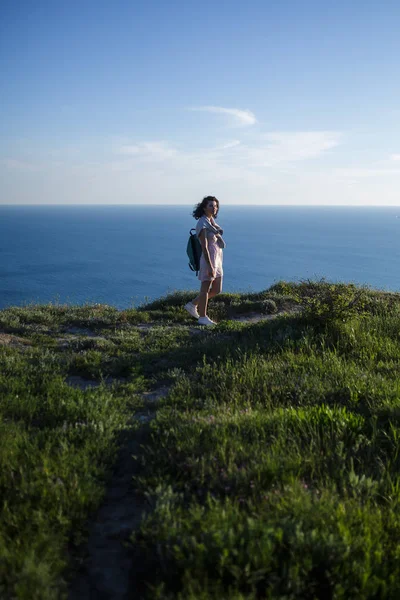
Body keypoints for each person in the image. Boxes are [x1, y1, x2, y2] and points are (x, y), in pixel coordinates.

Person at [184, 196, 226, 326]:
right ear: (204, 208)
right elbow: (205, 247)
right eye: (211, 206)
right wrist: (210, 266)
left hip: (217, 259)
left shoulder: (211, 222)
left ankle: (192, 305)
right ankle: (203, 317)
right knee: (205, 289)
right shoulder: (202, 224)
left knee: (217, 290)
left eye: (215, 206)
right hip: (209, 260)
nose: (214, 208)